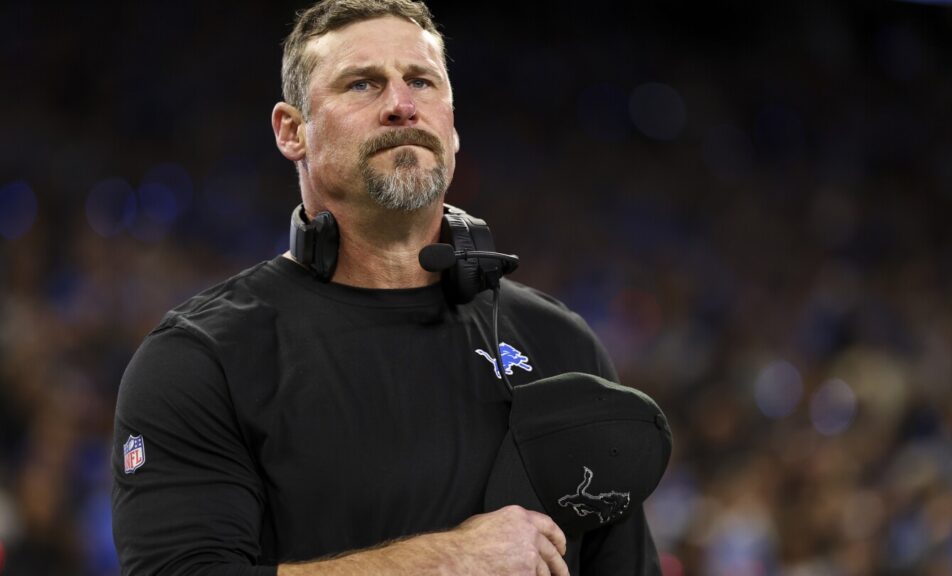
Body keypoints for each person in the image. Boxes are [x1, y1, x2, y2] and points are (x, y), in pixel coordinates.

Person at [111, 1, 663, 574]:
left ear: (452, 127)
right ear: (292, 131)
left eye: (421, 81)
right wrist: (447, 561)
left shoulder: (560, 345)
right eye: (362, 84)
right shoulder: (202, 359)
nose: (402, 105)